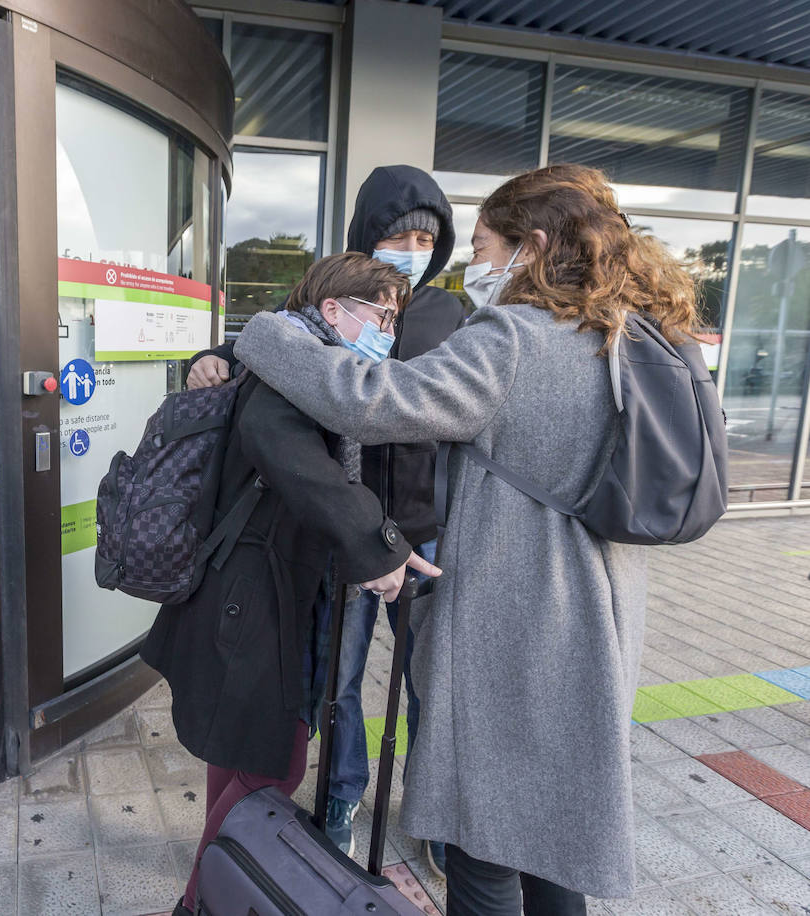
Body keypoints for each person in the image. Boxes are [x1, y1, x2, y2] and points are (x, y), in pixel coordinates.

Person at [233, 163, 697, 912]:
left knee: (486, 847)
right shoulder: (638, 329)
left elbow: (372, 401)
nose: (475, 264)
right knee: (555, 835)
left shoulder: (517, 337)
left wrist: (264, 334)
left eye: (482, 246)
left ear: (533, 245)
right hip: (605, 603)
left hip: (522, 606)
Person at [142, 252, 440, 916]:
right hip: (252, 600)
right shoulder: (290, 367)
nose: (389, 328)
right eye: (380, 312)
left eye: (397, 315)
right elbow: (290, 454)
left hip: (265, 594)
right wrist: (377, 543)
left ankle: (203, 894)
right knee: (270, 769)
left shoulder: (317, 364)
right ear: (332, 310)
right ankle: (203, 899)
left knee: (244, 757)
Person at [188, 164, 466, 870]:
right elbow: (279, 352)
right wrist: (211, 357)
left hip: (420, 529)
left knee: (428, 676)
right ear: (366, 235)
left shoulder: (450, 317)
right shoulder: (341, 299)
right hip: (344, 529)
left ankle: (433, 809)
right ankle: (339, 797)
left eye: (425, 237)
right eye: (398, 233)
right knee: (336, 678)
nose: (411, 246)